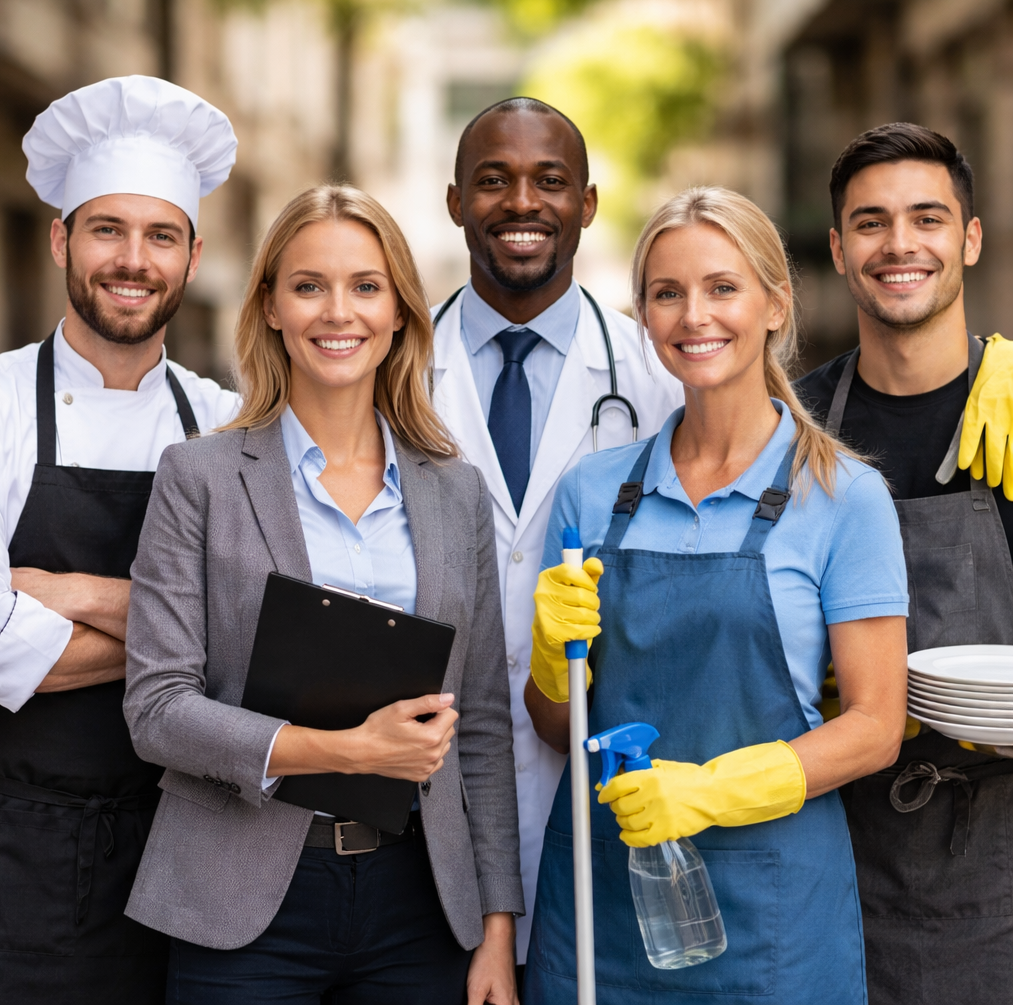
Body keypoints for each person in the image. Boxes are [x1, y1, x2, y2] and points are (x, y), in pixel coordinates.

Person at [121, 184, 523, 1004]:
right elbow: (157, 709)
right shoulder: (198, 477)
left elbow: (479, 724)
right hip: (241, 898)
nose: (338, 313)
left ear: (402, 311)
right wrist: (346, 752)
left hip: (420, 900)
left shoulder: (455, 493)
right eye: (308, 286)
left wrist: (496, 928)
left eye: (365, 286)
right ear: (270, 305)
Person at [521, 186, 910, 1004]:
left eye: (723, 287)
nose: (695, 315)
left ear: (776, 302)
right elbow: (559, 729)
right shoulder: (592, 494)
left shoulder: (843, 495)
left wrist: (710, 792)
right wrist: (553, 666)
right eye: (668, 293)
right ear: (645, 316)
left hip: (772, 914)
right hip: (604, 899)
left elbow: (876, 729)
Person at [0, 75, 239, 1002]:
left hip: (190, 847)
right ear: (60, 238)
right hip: (17, 853)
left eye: (160, 235)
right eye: (106, 229)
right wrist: (185, 628)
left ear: (192, 255)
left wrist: (71, 592)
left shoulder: (227, 424)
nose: (132, 260)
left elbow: (256, 630)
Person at [432, 96, 684, 965]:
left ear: (589, 203)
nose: (523, 204)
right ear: (456, 201)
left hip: (609, 787)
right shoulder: (386, 372)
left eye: (551, 181)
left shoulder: (660, 375)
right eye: (493, 181)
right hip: (432, 796)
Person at [795, 123, 1013, 1005]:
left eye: (927, 218)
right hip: (836, 845)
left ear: (969, 238)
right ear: (841, 251)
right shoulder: (794, 431)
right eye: (872, 223)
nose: (900, 245)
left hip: (1000, 849)